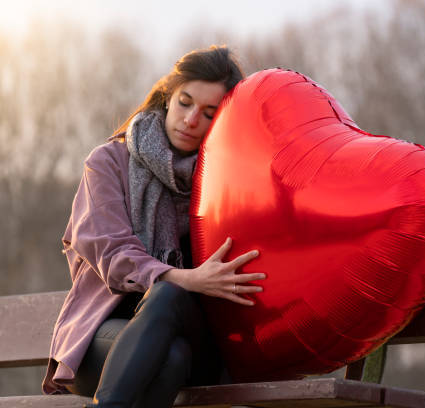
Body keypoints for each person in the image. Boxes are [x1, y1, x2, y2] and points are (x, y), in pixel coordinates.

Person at [42, 45, 266, 408]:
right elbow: (112, 254)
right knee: (169, 353)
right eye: (185, 102)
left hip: (201, 343)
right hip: (103, 337)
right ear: (167, 96)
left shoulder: (229, 180)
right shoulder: (108, 163)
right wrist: (185, 277)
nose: (191, 119)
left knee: (171, 307)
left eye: (209, 113)